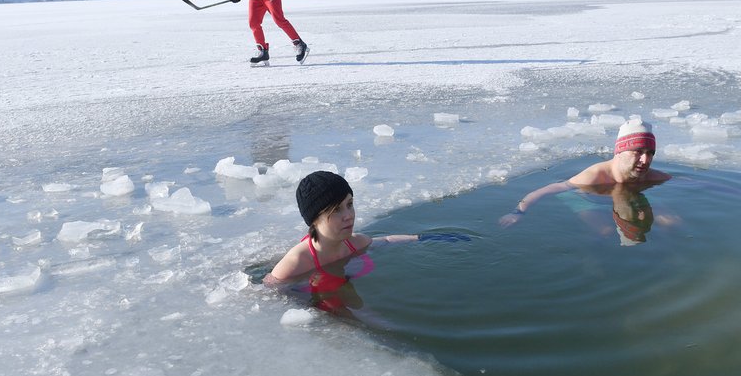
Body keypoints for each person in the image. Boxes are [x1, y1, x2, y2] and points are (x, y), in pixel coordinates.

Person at [262, 171, 467, 314]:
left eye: (349, 204)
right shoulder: (297, 261)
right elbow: (270, 290)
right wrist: (310, 305)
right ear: (313, 219)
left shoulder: (352, 243)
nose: (348, 216)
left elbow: (385, 240)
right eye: (336, 211)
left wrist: (422, 238)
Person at [500, 118, 672, 229]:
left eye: (650, 153)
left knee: (671, 222)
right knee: (604, 230)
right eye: (638, 152)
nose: (645, 160)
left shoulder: (649, 175)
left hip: (622, 200)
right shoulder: (593, 177)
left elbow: (684, 182)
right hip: (581, 197)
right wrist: (518, 212)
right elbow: (546, 190)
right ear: (620, 151)